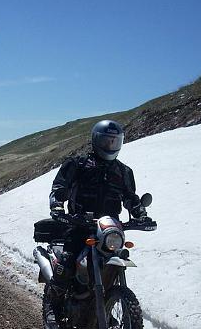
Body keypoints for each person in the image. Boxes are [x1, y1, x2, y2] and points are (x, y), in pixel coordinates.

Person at [47, 120, 146, 296]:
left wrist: (139, 212)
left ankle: (110, 303)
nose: (110, 144)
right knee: (68, 260)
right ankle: (54, 303)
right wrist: (57, 205)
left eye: (114, 141)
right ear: (96, 140)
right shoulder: (78, 164)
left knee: (118, 257)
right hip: (79, 224)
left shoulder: (123, 171)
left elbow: (130, 197)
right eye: (107, 140)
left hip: (109, 229)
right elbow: (60, 187)